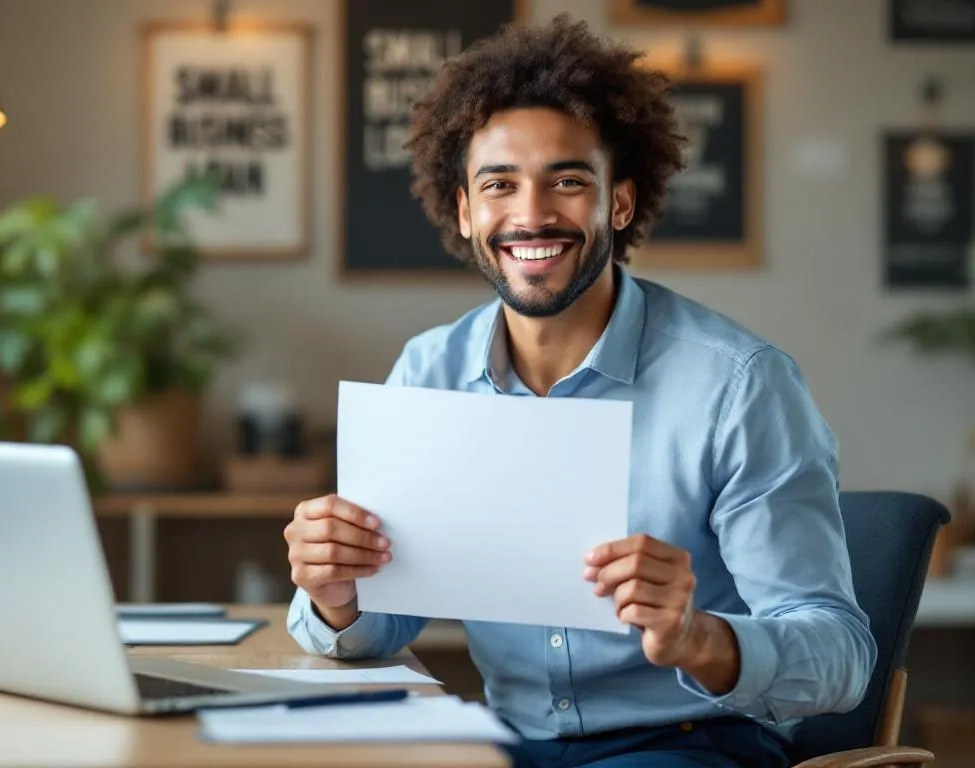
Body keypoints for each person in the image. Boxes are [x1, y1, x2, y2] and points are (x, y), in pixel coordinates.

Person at [283, 14, 876, 768]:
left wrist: (700, 638)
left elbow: (842, 655)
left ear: (618, 204)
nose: (532, 215)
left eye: (568, 181)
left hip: (689, 743)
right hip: (506, 743)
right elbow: (380, 625)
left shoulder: (739, 386)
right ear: (465, 212)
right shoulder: (429, 372)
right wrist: (337, 592)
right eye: (500, 185)